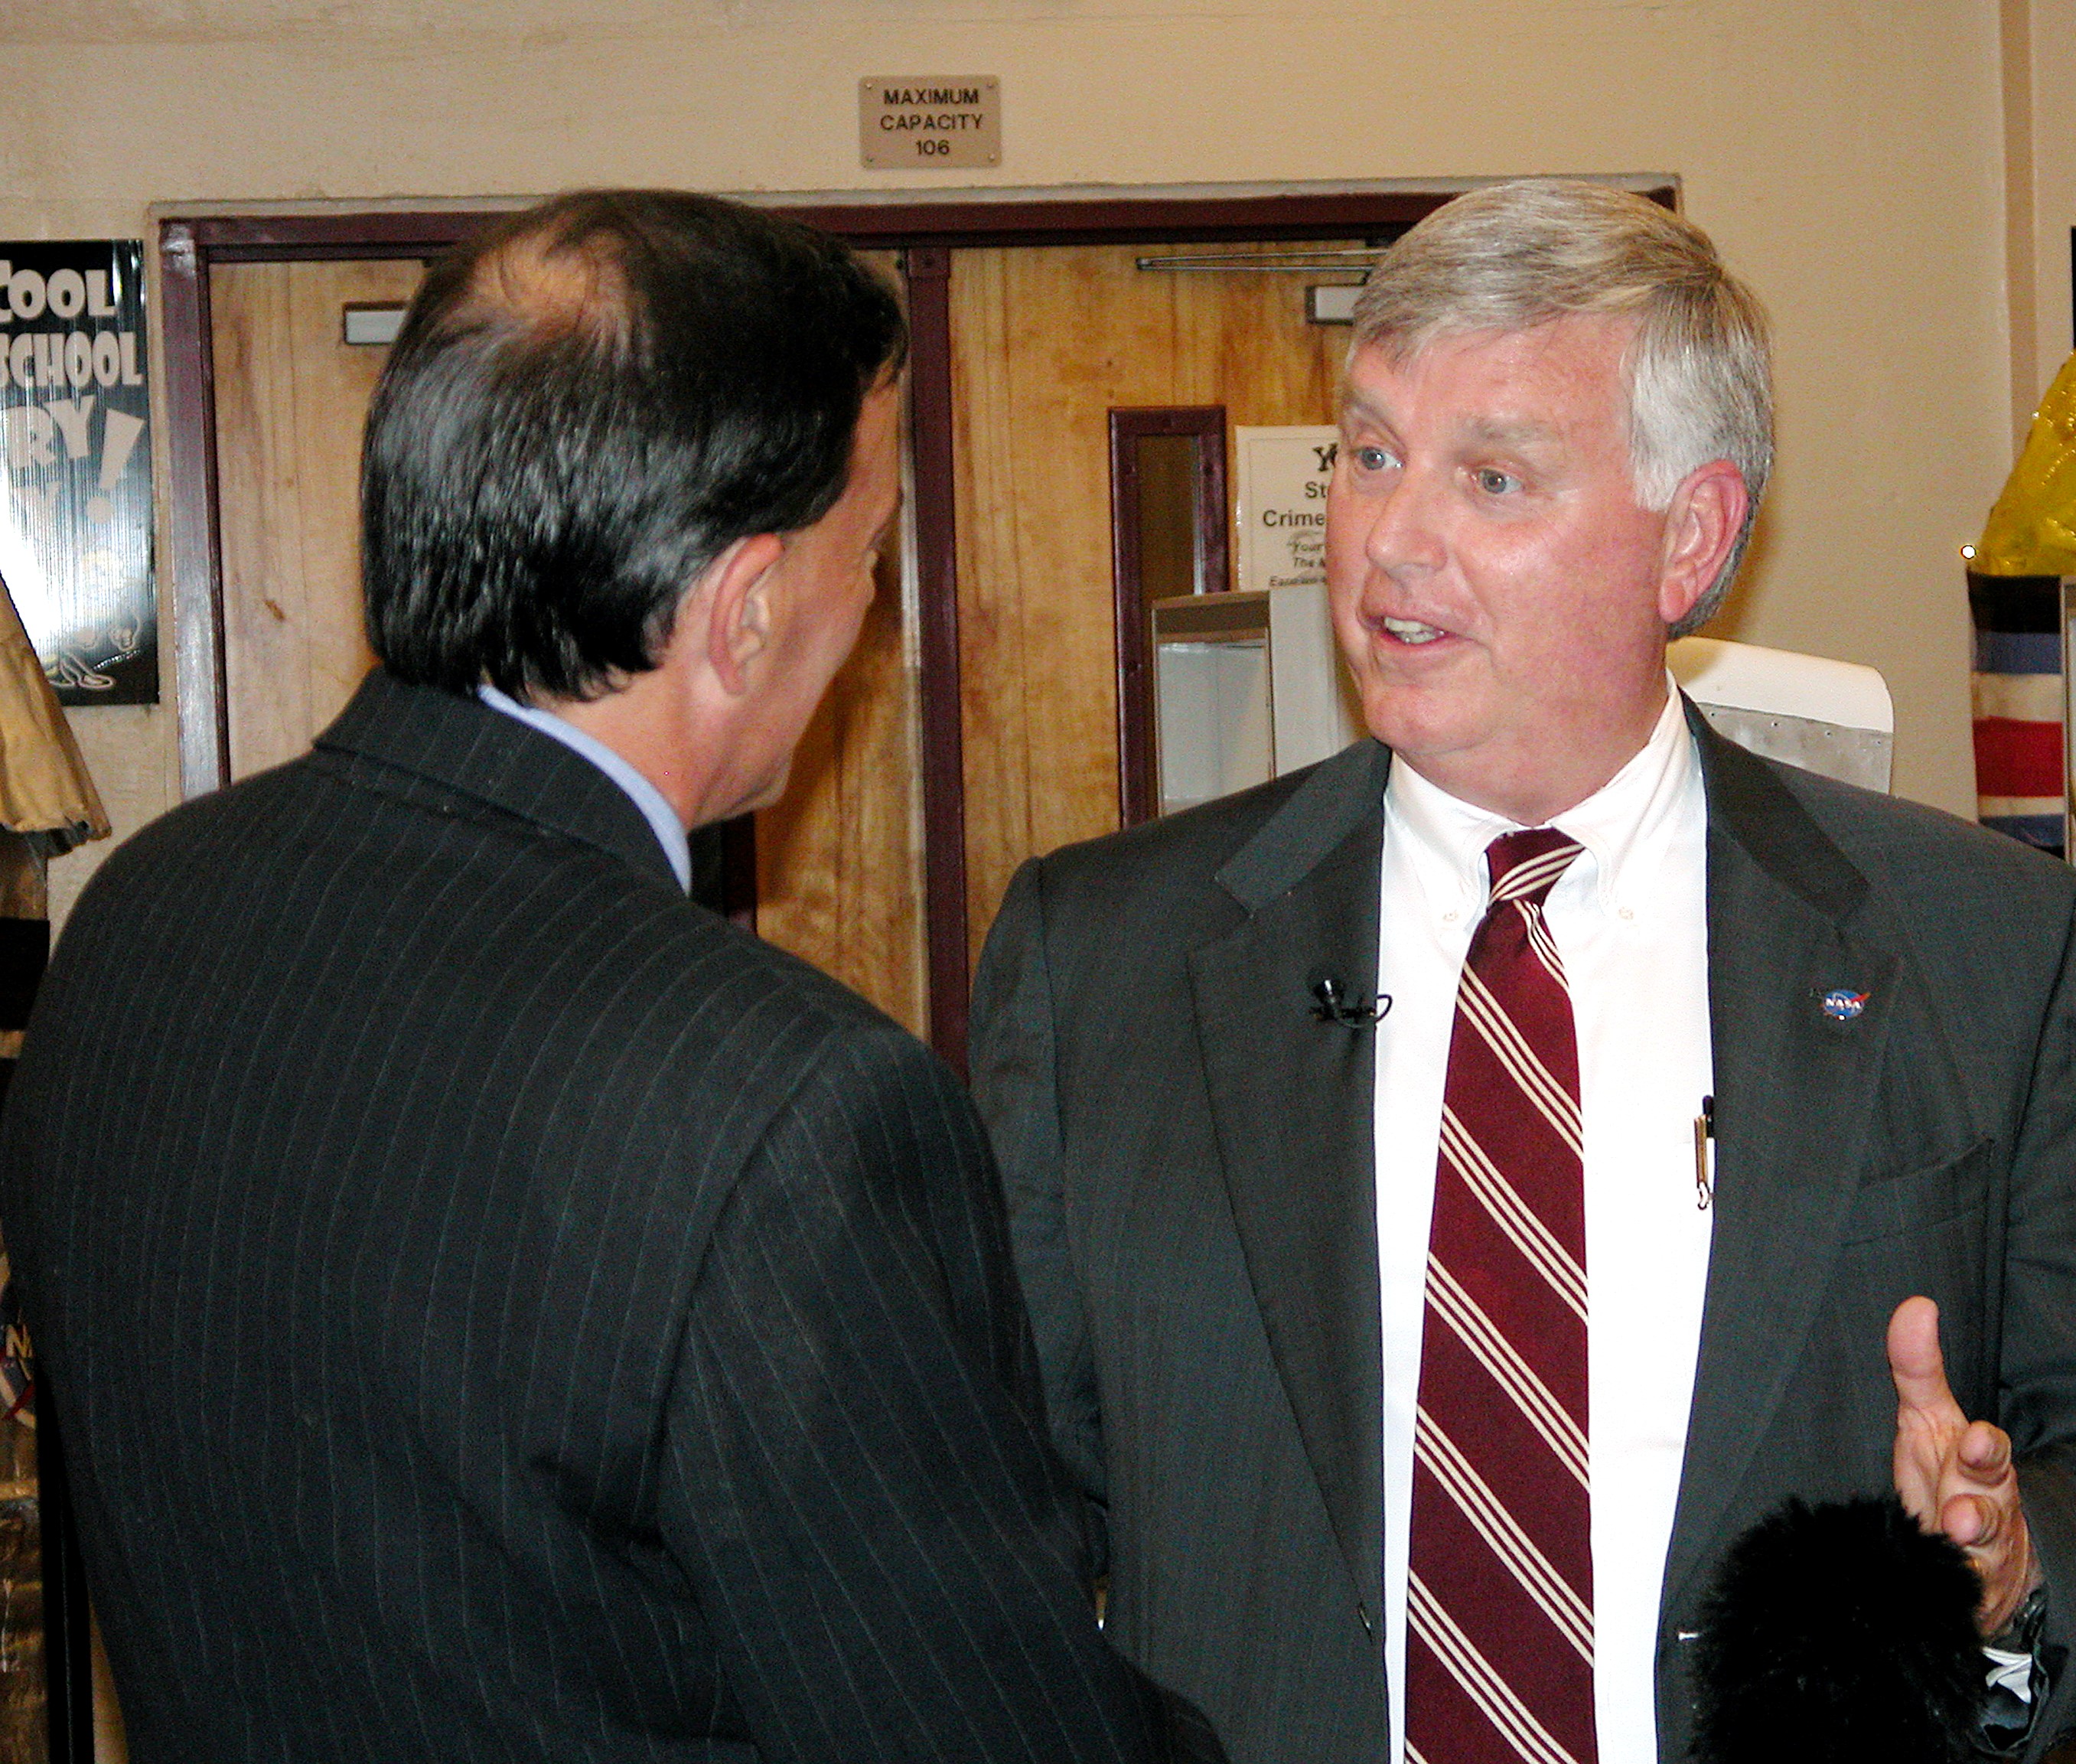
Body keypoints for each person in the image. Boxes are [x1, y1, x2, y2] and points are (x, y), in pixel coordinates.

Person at [970, 179, 2076, 1764]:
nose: (1394, 542)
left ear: (1693, 537)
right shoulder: (1106, 961)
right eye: (1370, 455)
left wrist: (2013, 1563)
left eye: (1492, 476)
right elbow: (977, 1523)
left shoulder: (1984, 950)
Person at [1, 190, 1216, 1763]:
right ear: (748, 608)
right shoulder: (790, 1109)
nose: (871, 605)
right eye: (873, 550)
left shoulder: (148, 915)